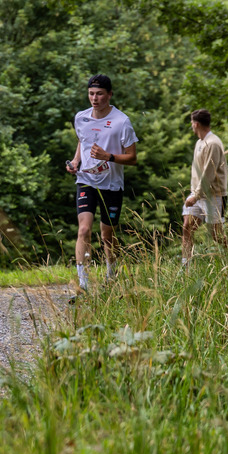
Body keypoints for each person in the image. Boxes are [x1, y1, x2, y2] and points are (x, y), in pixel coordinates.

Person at [65, 74, 138, 295]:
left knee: (107, 236)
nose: (94, 99)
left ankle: (111, 275)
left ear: (109, 95)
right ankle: (83, 284)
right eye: (91, 94)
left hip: (111, 184)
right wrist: (75, 161)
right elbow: (83, 141)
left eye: (99, 94)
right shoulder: (81, 117)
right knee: (84, 229)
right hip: (86, 180)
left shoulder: (121, 121)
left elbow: (132, 158)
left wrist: (109, 156)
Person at [181, 109, 228, 265]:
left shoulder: (213, 143)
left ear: (196, 124)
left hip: (214, 195)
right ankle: (185, 265)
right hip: (197, 194)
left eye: (191, 123)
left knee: (217, 235)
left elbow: (209, 173)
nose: (191, 126)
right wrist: (194, 194)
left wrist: (196, 195)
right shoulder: (199, 142)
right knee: (187, 227)